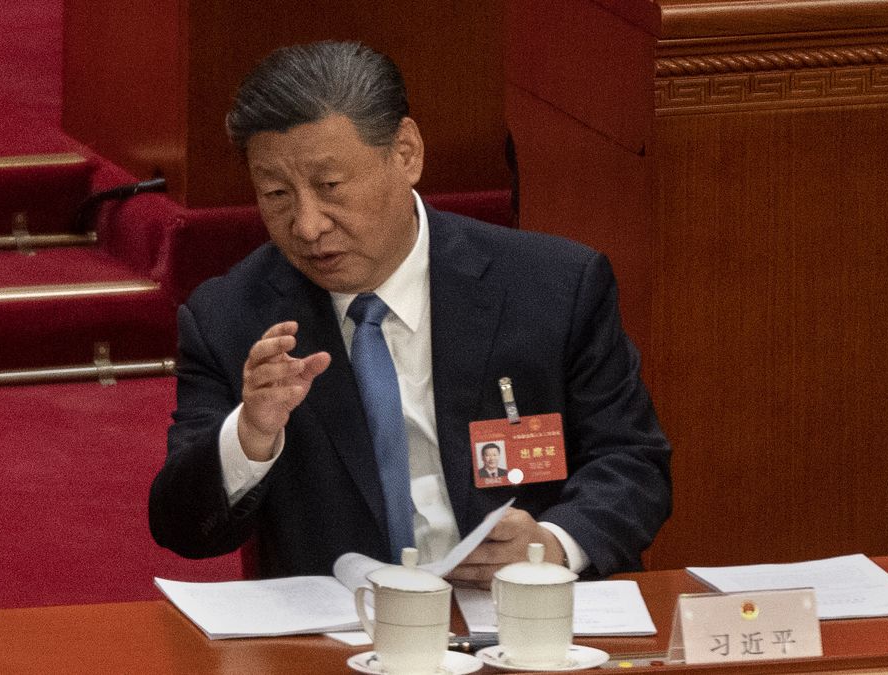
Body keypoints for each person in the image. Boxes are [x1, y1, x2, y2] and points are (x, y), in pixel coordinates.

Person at [149, 41, 671, 584]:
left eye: (330, 187)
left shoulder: (553, 286)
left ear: (406, 154)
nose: (307, 226)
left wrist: (552, 545)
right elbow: (184, 530)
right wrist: (250, 434)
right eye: (276, 194)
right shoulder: (229, 318)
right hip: (341, 643)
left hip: (523, 618)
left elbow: (632, 463)